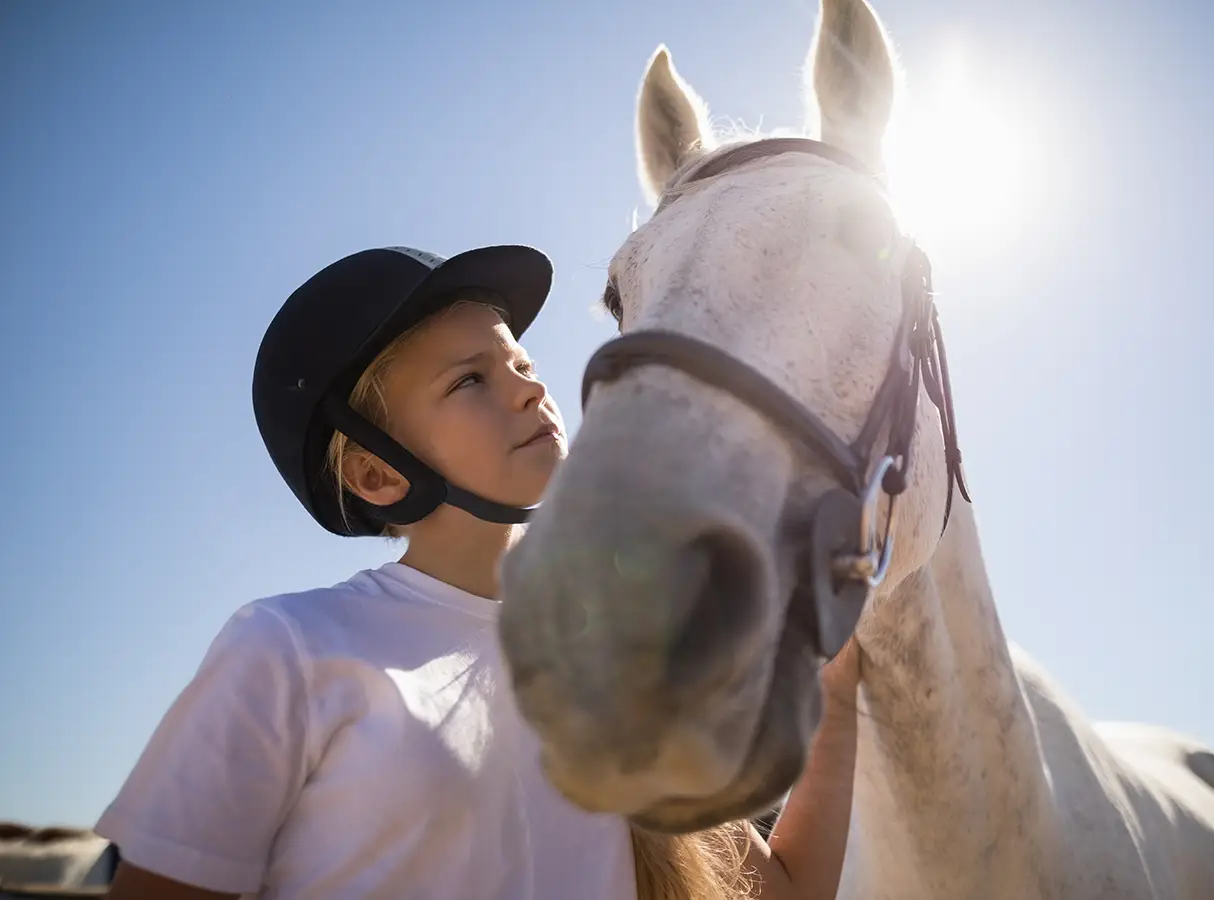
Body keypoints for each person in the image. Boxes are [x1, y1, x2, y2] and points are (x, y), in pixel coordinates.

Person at [97, 245, 861, 900]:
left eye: (521, 363)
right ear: (374, 474)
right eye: (471, 380)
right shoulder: (290, 646)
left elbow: (784, 891)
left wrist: (839, 678)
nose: (531, 388)